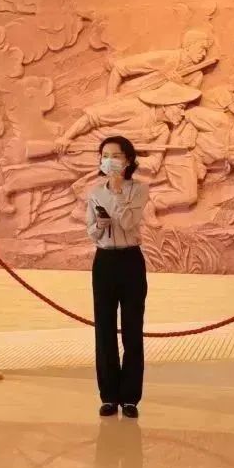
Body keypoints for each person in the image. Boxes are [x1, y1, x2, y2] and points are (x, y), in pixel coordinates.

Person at [86, 136, 150, 419]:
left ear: (128, 160)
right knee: (104, 330)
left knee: (133, 329)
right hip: (104, 261)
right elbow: (91, 231)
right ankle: (109, 396)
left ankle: (130, 397)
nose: (109, 160)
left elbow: (128, 222)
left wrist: (118, 191)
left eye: (115, 155)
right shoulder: (94, 192)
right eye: (105, 155)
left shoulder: (139, 189)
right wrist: (99, 226)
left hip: (130, 260)